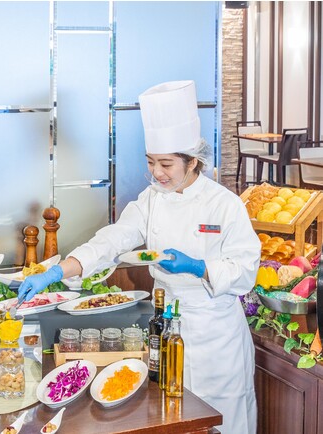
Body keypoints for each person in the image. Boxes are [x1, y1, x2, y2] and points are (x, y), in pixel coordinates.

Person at [18, 81, 259, 434]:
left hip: (216, 334)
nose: (157, 173)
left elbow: (245, 271)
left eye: (166, 164)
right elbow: (111, 241)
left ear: (193, 161)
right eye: (151, 163)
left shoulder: (225, 205)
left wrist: (198, 267)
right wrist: (56, 271)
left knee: (222, 420)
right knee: (172, 418)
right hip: (168, 326)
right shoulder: (152, 199)